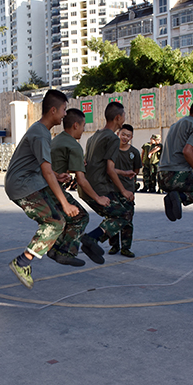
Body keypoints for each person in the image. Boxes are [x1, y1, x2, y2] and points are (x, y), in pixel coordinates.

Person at [5, 89, 84, 289]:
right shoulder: (40, 134)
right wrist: (64, 203)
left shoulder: (42, 131)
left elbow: (44, 168)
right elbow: (46, 172)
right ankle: (22, 262)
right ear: (53, 110)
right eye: (64, 110)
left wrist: (57, 176)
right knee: (55, 222)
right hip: (22, 186)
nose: (65, 114)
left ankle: (60, 251)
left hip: (33, 180)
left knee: (79, 215)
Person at [49, 108, 108, 267]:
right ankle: (65, 252)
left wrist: (70, 169)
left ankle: (55, 249)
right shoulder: (74, 146)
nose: (83, 130)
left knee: (67, 219)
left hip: (45, 186)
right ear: (76, 125)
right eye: (83, 126)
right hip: (53, 189)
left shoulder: (57, 140)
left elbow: (56, 164)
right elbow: (81, 180)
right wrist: (98, 198)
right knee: (81, 217)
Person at [77, 101, 134, 263]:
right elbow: (110, 169)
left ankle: (93, 241)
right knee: (124, 214)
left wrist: (123, 172)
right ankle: (91, 239)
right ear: (118, 118)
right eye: (124, 115)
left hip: (86, 188)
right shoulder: (113, 138)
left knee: (113, 215)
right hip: (99, 188)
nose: (124, 118)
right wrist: (123, 190)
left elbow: (97, 165)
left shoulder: (93, 137)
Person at [159, 97, 193, 221]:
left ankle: (173, 197)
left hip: (162, 176)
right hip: (177, 175)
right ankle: (179, 197)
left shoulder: (176, 124)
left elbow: (179, 150)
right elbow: (186, 151)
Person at [108, 124, 141, 257]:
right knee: (112, 218)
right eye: (123, 134)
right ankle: (114, 246)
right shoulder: (111, 151)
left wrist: (131, 186)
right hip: (112, 190)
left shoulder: (134, 152)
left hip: (127, 191)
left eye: (128, 136)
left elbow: (136, 170)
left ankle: (126, 247)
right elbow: (108, 169)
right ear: (118, 134)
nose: (125, 137)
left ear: (131, 137)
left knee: (127, 219)